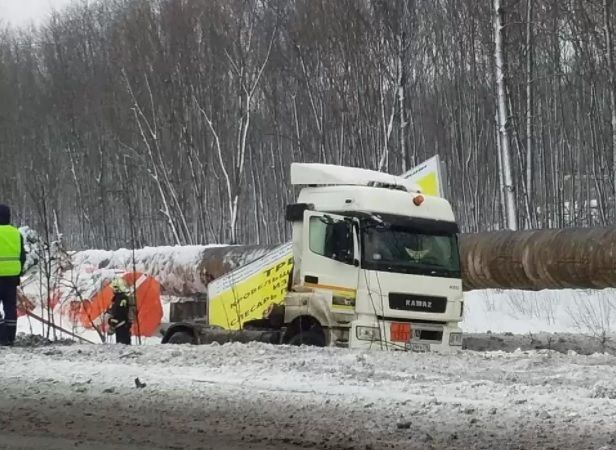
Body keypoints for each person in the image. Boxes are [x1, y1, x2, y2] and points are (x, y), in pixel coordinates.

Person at [0, 204, 26, 346]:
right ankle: (10, 338)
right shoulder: (16, 233)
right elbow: (22, 256)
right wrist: (18, 271)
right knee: (10, 308)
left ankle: (2, 337)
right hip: (12, 277)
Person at [106, 278, 133, 345]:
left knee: (123, 344)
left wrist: (113, 321)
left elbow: (121, 312)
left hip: (123, 325)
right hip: (120, 325)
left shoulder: (122, 298)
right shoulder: (118, 298)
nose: (112, 290)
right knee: (120, 344)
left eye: (114, 288)